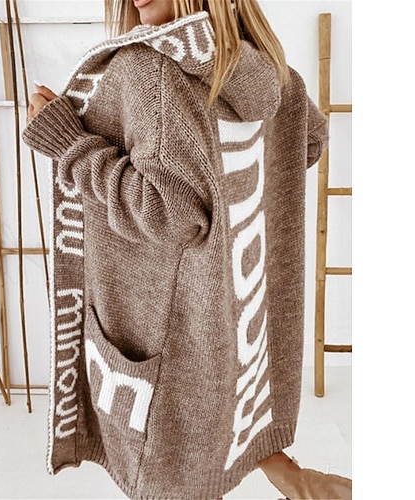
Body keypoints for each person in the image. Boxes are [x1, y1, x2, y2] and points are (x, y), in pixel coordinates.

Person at [22, 0, 352, 498]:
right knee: (223, 416)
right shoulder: (271, 71)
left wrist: (69, 143)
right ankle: (285, 472)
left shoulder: (149, 68)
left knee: (169, 471)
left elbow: (168, 213)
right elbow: (308, 141)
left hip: (176, 339)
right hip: (234, 324)